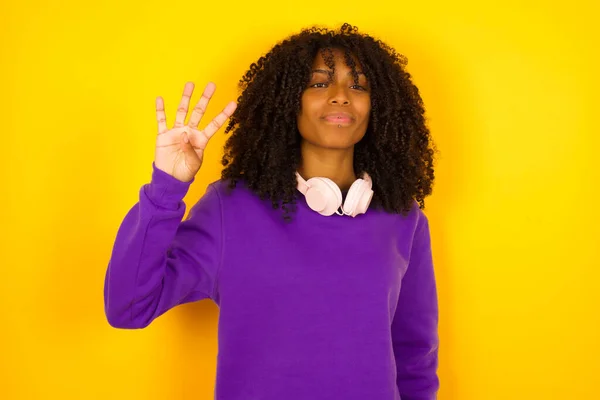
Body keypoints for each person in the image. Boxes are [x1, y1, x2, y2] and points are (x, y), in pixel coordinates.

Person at [104, 22, 439, 400]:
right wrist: (166, 188)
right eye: (318, 82)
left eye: (358, 85)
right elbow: (128, 308)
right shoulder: (229, 208)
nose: (341, 96)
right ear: (287, 101)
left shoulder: (403, 218)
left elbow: (415, 356)